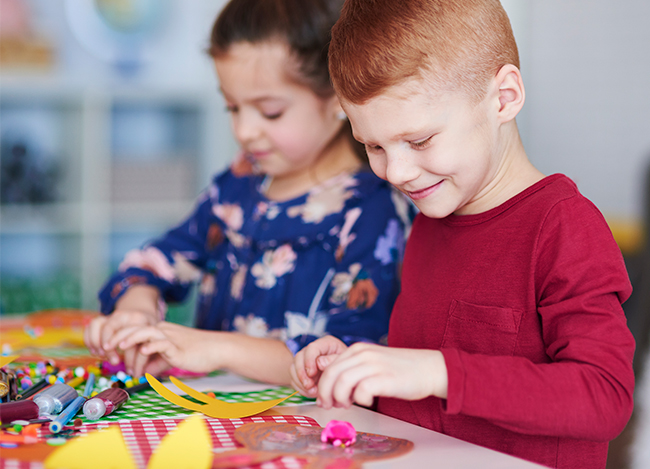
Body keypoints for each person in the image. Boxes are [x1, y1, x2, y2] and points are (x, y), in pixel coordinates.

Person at [290, 1, 635, 468]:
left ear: (504, 97)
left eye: (419, 141)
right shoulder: (430, 217)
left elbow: (604, 398)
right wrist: (362, 373)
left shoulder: (565, 227)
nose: (395, 171)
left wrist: (436, 372)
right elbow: (431, 399)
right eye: (373, 145)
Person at [83, 0, 414, 386]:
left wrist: (216, 349)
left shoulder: (372, 209)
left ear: (338, 97)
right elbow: (160, 260)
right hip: (214, 413)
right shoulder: (239, 185)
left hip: (311, 431)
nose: (244, 131)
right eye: (232, 108)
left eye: (270, 111)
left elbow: (348, 356)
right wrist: (135, 308)